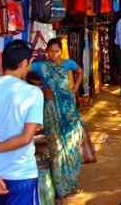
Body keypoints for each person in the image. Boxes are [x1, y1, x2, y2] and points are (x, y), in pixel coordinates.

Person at [0, 40, 44, 205]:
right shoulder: (33, 93)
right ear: (23, 63)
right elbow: (26, 138)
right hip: (21, 174)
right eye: (30, 63)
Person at [29, 38, 85, 201]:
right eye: (50, 51)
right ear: (46, 51)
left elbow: (80, 71)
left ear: (61, 51)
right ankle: (61, 189)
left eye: (56, 51)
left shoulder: (68, 63)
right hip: (51, 109)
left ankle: (71, 183)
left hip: (68, 108)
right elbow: (23, 70)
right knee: (56, 148)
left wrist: (75, 87)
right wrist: (41, 88)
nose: (53, 54)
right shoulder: (42, 66)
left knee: (72, 145)